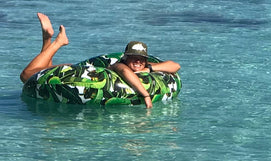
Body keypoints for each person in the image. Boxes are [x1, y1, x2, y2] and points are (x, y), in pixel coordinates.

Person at [20, 13, 180, 109]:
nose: (137, 62)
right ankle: (58, 42)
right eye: (133, 58)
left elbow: (175, 66)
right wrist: (145, 95)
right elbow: (125, 72)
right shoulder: (120, 65)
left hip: (74, 69)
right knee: (27, 75)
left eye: (141, 59)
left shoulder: (144, 68)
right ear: (125, 57)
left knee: (40, 70)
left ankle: (47, 37)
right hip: (74, 75)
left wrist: (149, 69)